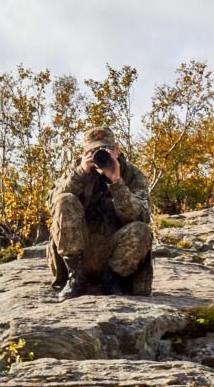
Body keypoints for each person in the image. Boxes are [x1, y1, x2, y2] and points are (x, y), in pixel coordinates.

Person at [46, 126, 153, 300]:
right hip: (80, 249)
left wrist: (117, 182)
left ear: (116, 149)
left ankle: (112, 280)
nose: (100, 155)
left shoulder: (132, 174)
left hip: (114, 254)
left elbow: (140, 217)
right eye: (94, 151)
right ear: (84, 152)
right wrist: (80, 173)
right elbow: (53, 205)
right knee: (65, 199)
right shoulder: (75, 170)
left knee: (142, 230)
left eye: (106, 149)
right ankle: (76, 278)